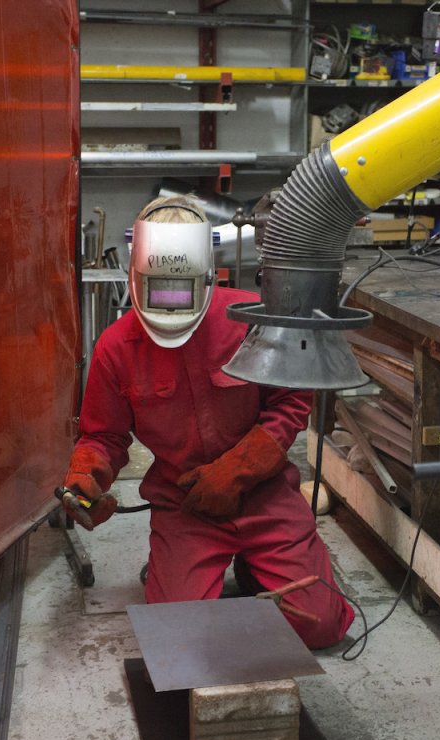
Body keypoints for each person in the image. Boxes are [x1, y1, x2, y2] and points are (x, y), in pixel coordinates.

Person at [61, 195, 353, 649]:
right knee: (177, 637)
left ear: (208, 279)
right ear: (135, 280)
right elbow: (105, 435)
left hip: (262, 494)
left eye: (181, 290)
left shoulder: (251, 320)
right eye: (159, 289)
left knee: (319, 624)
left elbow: (292, 400)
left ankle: (256, 567)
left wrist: (238, 471)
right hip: (186, 503)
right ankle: (187, 570)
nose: (172, 306)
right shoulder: (116, 348)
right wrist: (87, 479)